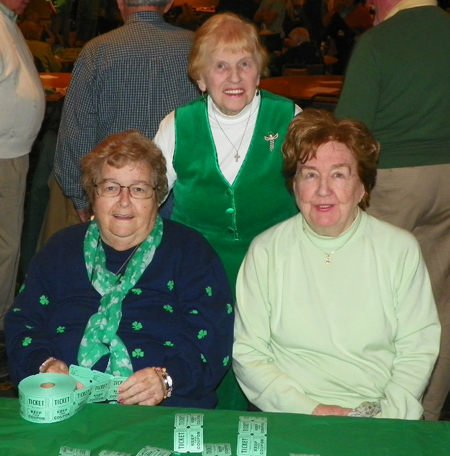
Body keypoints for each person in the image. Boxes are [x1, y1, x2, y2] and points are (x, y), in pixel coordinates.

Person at [233, 109, 441, 419]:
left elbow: (417, 348)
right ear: (294, 185)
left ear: (363, 187)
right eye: (311, 174)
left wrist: (386, 418)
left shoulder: (398, 250)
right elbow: (248, 354)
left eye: (339, 174)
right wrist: (311, 410)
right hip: (291, 414)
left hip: (379, 414)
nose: (323, 190)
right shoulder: (266, 251)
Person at [5, 130, 233, 408]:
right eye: (111, 187)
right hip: (63, 405)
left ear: (158, 197)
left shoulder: (190, 251)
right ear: (93, 195)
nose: (124, 201)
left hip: (164, 409)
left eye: (138, 189)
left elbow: (213, 336)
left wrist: (167, 380)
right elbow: (23, 321)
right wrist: (44, 366)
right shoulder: (61, 249)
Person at [154, 12, 300, 409]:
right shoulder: (176, 125)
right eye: (220, 66)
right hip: (196, 275)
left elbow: (316, 194)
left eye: (244, 64)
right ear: (201, 78)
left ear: (258, 73)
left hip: (274, 269)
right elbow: (148, 198)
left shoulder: (289, 118)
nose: (234, 77)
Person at [335, 0, 450, 421]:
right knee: (439, 302)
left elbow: (350, 128)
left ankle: (375, 412)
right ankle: (427, 414)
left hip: (395, 179)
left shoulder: (378, 43)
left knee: (376, 297)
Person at [53, 0, 199, 227]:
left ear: (120, 2)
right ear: (169, 4)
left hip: (115, 193)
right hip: (184, 193)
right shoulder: (197, 47)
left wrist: (80, 197)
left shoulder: (97, 51)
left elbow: (76, 132)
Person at [0, 0, 45, 346]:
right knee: (6, 246)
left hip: (11, 155)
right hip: (3, 157)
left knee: (8, 246)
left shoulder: (8, 21)